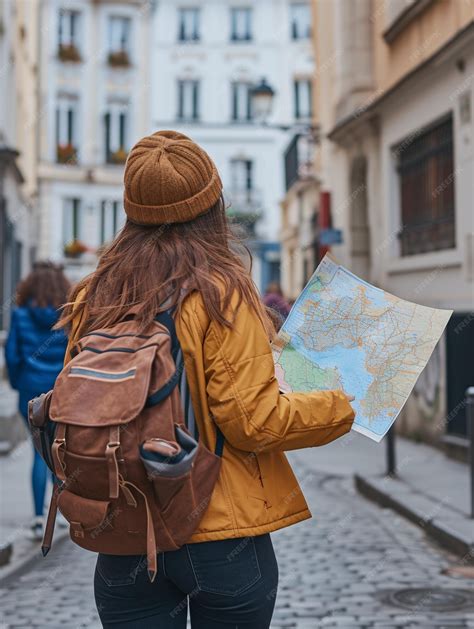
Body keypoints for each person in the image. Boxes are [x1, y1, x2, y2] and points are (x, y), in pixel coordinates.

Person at [58, 130, 355, 628]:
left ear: (130, 212)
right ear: (212, 208)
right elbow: (253, 422)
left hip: (126, 534)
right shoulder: (221, 293)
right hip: (221, 537)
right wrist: (340, 405)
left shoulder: (95, 295)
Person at [5, 261, 69, 539]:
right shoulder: (66, 315)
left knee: (36, 452)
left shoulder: (19, 315)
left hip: (30, 390)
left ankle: (37, 516)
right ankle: (61, 511)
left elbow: (11, 356)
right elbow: (74, 352)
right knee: (58, 450)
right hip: (60, 391)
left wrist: (21, 383)